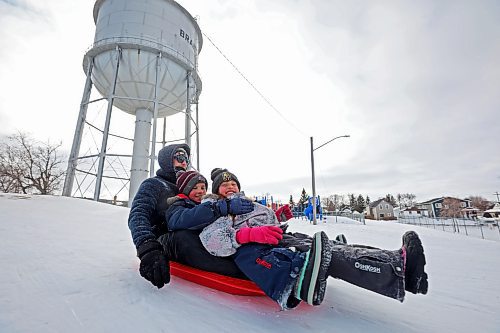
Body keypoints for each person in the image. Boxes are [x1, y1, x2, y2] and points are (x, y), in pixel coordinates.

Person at [166, 168, 428, 309]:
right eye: (224, 185)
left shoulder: (248, 203)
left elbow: (266, 223)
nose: (230, 187)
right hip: (257, 247)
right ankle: (394, 271)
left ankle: (397, 262)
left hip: (277, 236)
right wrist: (249, 233)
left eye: (233, 183)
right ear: (217, 192)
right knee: (326, 255)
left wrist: (277, 216)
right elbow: (215, 240)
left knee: (332, 247)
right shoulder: (218, 207)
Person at [166, 169, 331, 309]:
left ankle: (326, 254)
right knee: (249, 253)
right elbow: (192, 222)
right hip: (224, 245)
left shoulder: (218, 203)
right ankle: (289, 285)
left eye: (202, 187)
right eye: (194, 188)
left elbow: (250, 218)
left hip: (242, 238)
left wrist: (275, 217)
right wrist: (224, 210)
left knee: (290, 240)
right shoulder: (184, 205)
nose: (200, 191)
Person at [127, 144, 254, 289]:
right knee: (184, 238)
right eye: (179, 157)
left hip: (197, 231)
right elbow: (138, 215)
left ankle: (258, 261)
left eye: (187, 158)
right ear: (166, 160)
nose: (184, 162)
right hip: (168, 239)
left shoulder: (192, 184)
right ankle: (243, 273)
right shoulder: (154, 184)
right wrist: (148, 248)